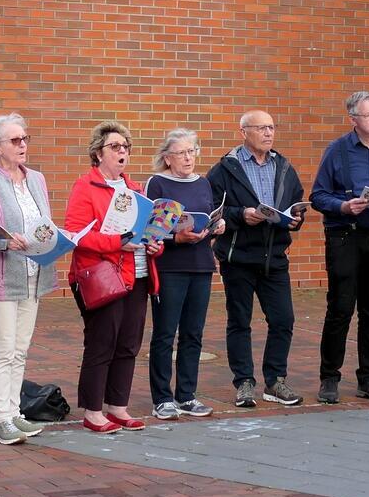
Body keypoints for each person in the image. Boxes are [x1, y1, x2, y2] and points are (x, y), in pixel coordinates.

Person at [207, 111, 311, 407]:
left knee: (283, 319)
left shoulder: (284, 166)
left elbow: (296, 201)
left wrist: (296, 218)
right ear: (244, 132)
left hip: (274, 256)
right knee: (239, 321)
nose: (269, 133)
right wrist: (242, 214)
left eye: (271, 127)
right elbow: (212, 208)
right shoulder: (224, 169)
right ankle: (244, 382)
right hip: (238, 256)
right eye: (262, 128)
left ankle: (275, 380)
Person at [309, 92, 369, 404]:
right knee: (340, 308)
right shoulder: (337, 150)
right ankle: (329, 377)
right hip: (346, 236)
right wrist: (343, 206)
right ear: (354, 120)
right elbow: (318, 196)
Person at [65, 122, 163, 432]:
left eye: (126, 147)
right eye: (115, 147)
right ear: (97, 153)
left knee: (129, 343)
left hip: (138, 273)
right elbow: (77, 235)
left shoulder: (135, 189)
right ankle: (93, 411)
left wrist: (154, 243)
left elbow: (144, 233)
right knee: (102, 342)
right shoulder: (85, 186)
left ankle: (117, 406)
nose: (123, 152)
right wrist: (117, 241)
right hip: (102, 276)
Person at [0, 113, 57, 445]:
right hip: (1, 276)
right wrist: (6, 241)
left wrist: (54, 238)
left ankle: (15, 413)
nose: (22, 145)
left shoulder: (37, 179)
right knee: (2, 349)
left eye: (25, 139)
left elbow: (44, 224)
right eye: (15, 140)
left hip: (34, 274)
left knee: (20, 349)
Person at [146, 129, 224, 419]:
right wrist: (174, 239)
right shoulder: (157, 183)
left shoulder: (203, 183)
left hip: (201, 265)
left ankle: (187, 396)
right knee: (165, 333)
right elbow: (150, 229)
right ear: (167, 157)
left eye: (192, 151)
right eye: (181, 152)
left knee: (194, 333)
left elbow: (209, 214)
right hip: (170, 268)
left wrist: (218, 226)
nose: (189, 157)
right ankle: (163, 398)